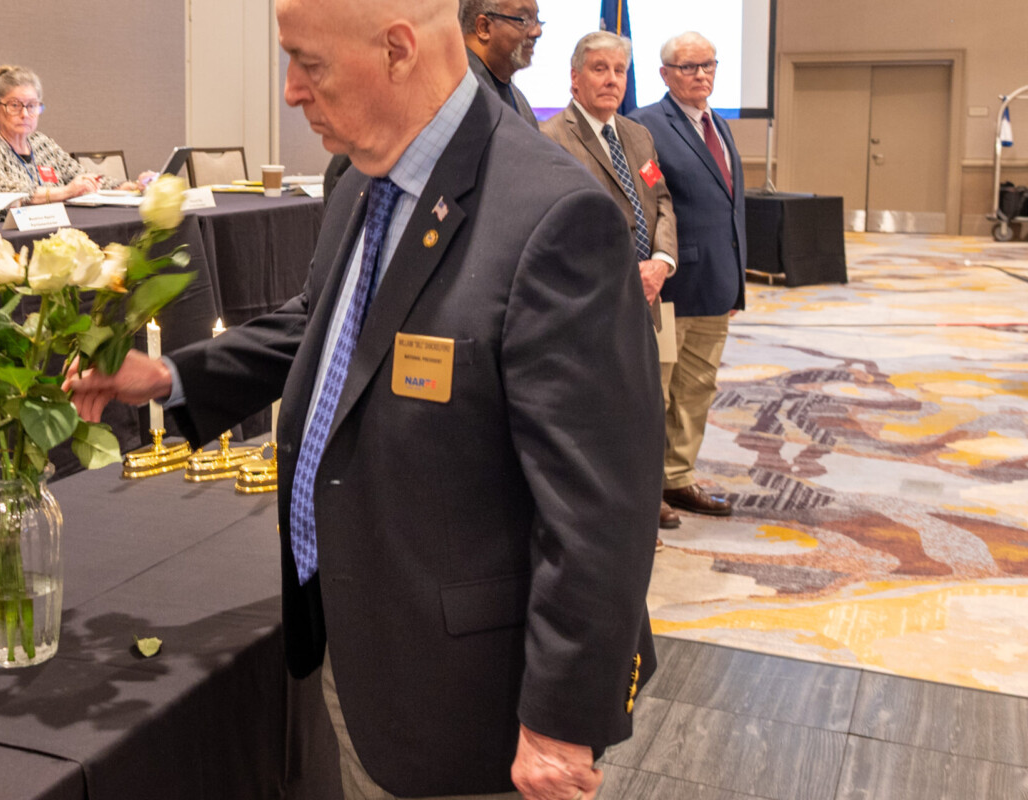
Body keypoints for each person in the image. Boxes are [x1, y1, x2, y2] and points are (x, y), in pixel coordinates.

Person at [68, 0, 661, 797]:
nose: (288, 91)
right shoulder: (360, 177)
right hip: (359, 636)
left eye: (308, 63)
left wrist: (560, 720)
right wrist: (175, 378)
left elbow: (603, 506)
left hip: (477, 703)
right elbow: (326, 322)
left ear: (398, 51)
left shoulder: (554, 217)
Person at [539, 31, 680, 538]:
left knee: (647, 404)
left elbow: (660, 201)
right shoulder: (549, 137)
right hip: (592, 304)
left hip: (649, 294)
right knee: (597, 412)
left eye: (619, 71)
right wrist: (627, 272)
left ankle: (642, 500)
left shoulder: (638, 135)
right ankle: (601, 516)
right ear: (574, 77)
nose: (612, 80)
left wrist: (661, 261)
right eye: (599, 69)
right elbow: (554, 227)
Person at [629, 32, 745, 522]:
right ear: (665, 75)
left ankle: (678, 477)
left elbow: (729, 206)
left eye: (709, 65)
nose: (702, 75)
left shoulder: (719, 125)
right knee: (656, 391)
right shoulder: (645, 126)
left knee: (697, 388)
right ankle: (645, 488)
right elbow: (649, 205)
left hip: (717, 283)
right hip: (671, 284)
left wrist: (737, 279)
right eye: (689, 67)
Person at [0, 65, 152, 206]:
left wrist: (133, 186)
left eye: (32, 106)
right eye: (15, 105)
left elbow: (82, 177)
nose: (25, 114)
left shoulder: (43, 144)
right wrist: (66, 192)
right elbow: (0, 191)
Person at [459, 0, 540, 127]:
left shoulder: (519, 99)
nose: (537, 32)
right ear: (484, 28)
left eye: (536, 21)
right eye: (523, 20)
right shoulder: (457, 93)